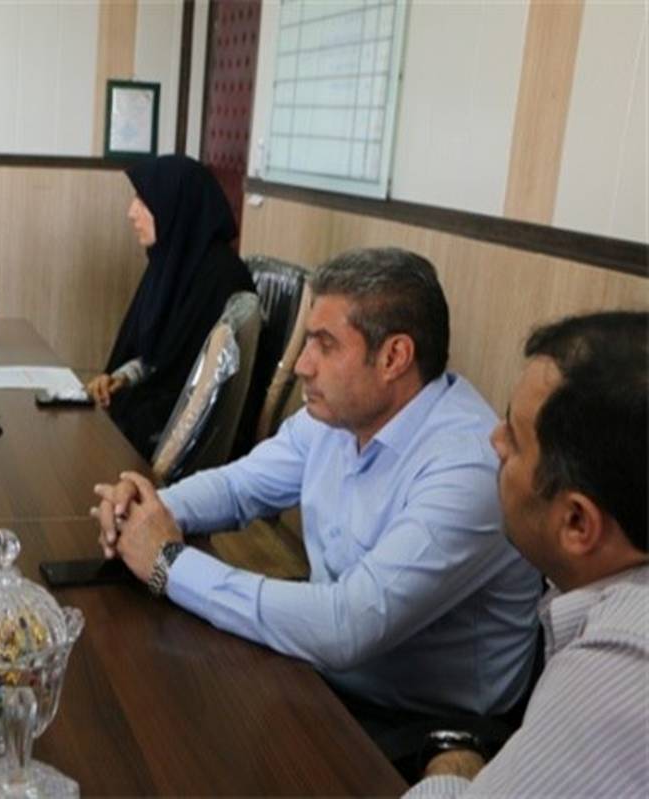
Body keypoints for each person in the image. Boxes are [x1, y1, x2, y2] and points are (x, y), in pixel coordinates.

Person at [92, 248, 542, 724]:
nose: (302, 365)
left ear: (394, 357)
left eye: (325, 345)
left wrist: (167, 563)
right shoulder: (340, 415)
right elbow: (239, 486)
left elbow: (346, 627)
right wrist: (145, 509)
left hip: (420, 725)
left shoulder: (468, 466)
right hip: (327, 671)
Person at [406, 311, 647, 797]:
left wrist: (452, 769)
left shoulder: (621, 667)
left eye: (514, 440)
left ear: (577, 522)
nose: (493, 442)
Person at [85, 155, 255, 459]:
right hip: (154, 418)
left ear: (175, 206)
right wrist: (119, 377)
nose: (131, 213)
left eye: (143, 201)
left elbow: (189, 388)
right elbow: (154, 354)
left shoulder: (220, 277)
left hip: (181, 442)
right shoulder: (168, 265)